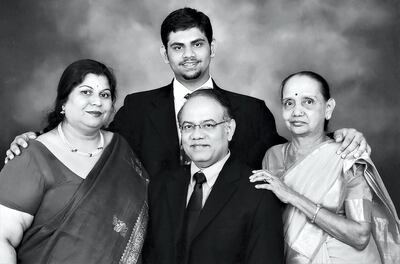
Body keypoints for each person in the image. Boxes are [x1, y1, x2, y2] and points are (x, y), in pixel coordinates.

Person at [5, 7, 370, 180]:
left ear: (212, 48)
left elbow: (293, 155)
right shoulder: (136, 108)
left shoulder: (251, 110)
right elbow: (92, 145)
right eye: (178, 47)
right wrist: (39, 142)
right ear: (165, 54)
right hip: (154, 244)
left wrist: (339, 137)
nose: (189, 54)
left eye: (197, 44)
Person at [0, 59, 148, 264]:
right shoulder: (32, 156)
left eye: (104, 95)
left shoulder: (120, 147)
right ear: (64, 101)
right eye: (86, 92)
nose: (96, 101)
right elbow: (2, 238)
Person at [250, 71, 400, 264]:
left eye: (308, 102)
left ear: (328, 108)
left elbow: (360, 236)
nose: (297, 111)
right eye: (289, 103)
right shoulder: (272, 156)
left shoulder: (347, 156)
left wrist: (291, 195)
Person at [144, 89, 284, 263]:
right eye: (188, 126)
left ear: (229, 129)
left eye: (208, 125)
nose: (197, 135)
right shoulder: (160, 186)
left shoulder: (259, 193)